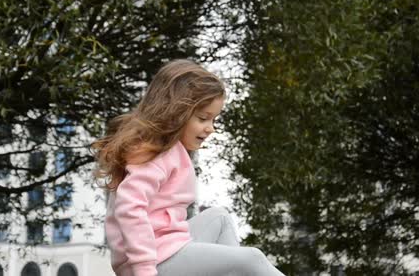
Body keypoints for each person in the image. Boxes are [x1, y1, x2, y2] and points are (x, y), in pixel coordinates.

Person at [92, 59, 286, 276]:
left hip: (166, 250)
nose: (210, 128)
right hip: (152, 262)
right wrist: (144, 270)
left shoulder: (171, 150)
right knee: (252, 258)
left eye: (213, 120)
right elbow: (129, 207)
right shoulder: (155, 152)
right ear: (176, 112)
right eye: (203, 118)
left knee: (219, 217)